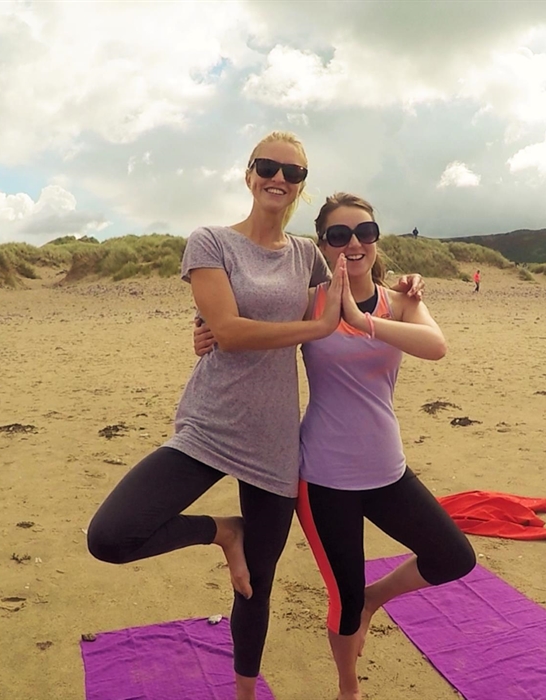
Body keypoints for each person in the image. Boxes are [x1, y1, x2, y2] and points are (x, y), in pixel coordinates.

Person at [86, 131, 422, 700]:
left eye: (292, 172)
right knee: (111, 535)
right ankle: (224, 532)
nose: (279, 178)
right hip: (208, 426)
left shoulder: (308, 256)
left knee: (255, 589)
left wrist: (406, 288)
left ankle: (244, 693)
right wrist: (218, 331)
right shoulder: (211, 242)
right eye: (268, 166)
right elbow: (232, 331)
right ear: (248, 174)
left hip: (274, 443)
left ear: (300, 186)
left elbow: (350, 294)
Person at [197, 192, 475, 700]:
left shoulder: (403, 300)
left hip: (389, 470)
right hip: (324, 477)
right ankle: (349, 690)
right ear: (323, 245)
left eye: (364, 233)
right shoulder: (310, 303)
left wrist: (361, 317)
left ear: (376, 240)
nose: (353, 243)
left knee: (454, 556)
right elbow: (245, 324)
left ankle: (377, 598)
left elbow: (436, 347)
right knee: (342, 601)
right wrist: (205, 333)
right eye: (339, 235)